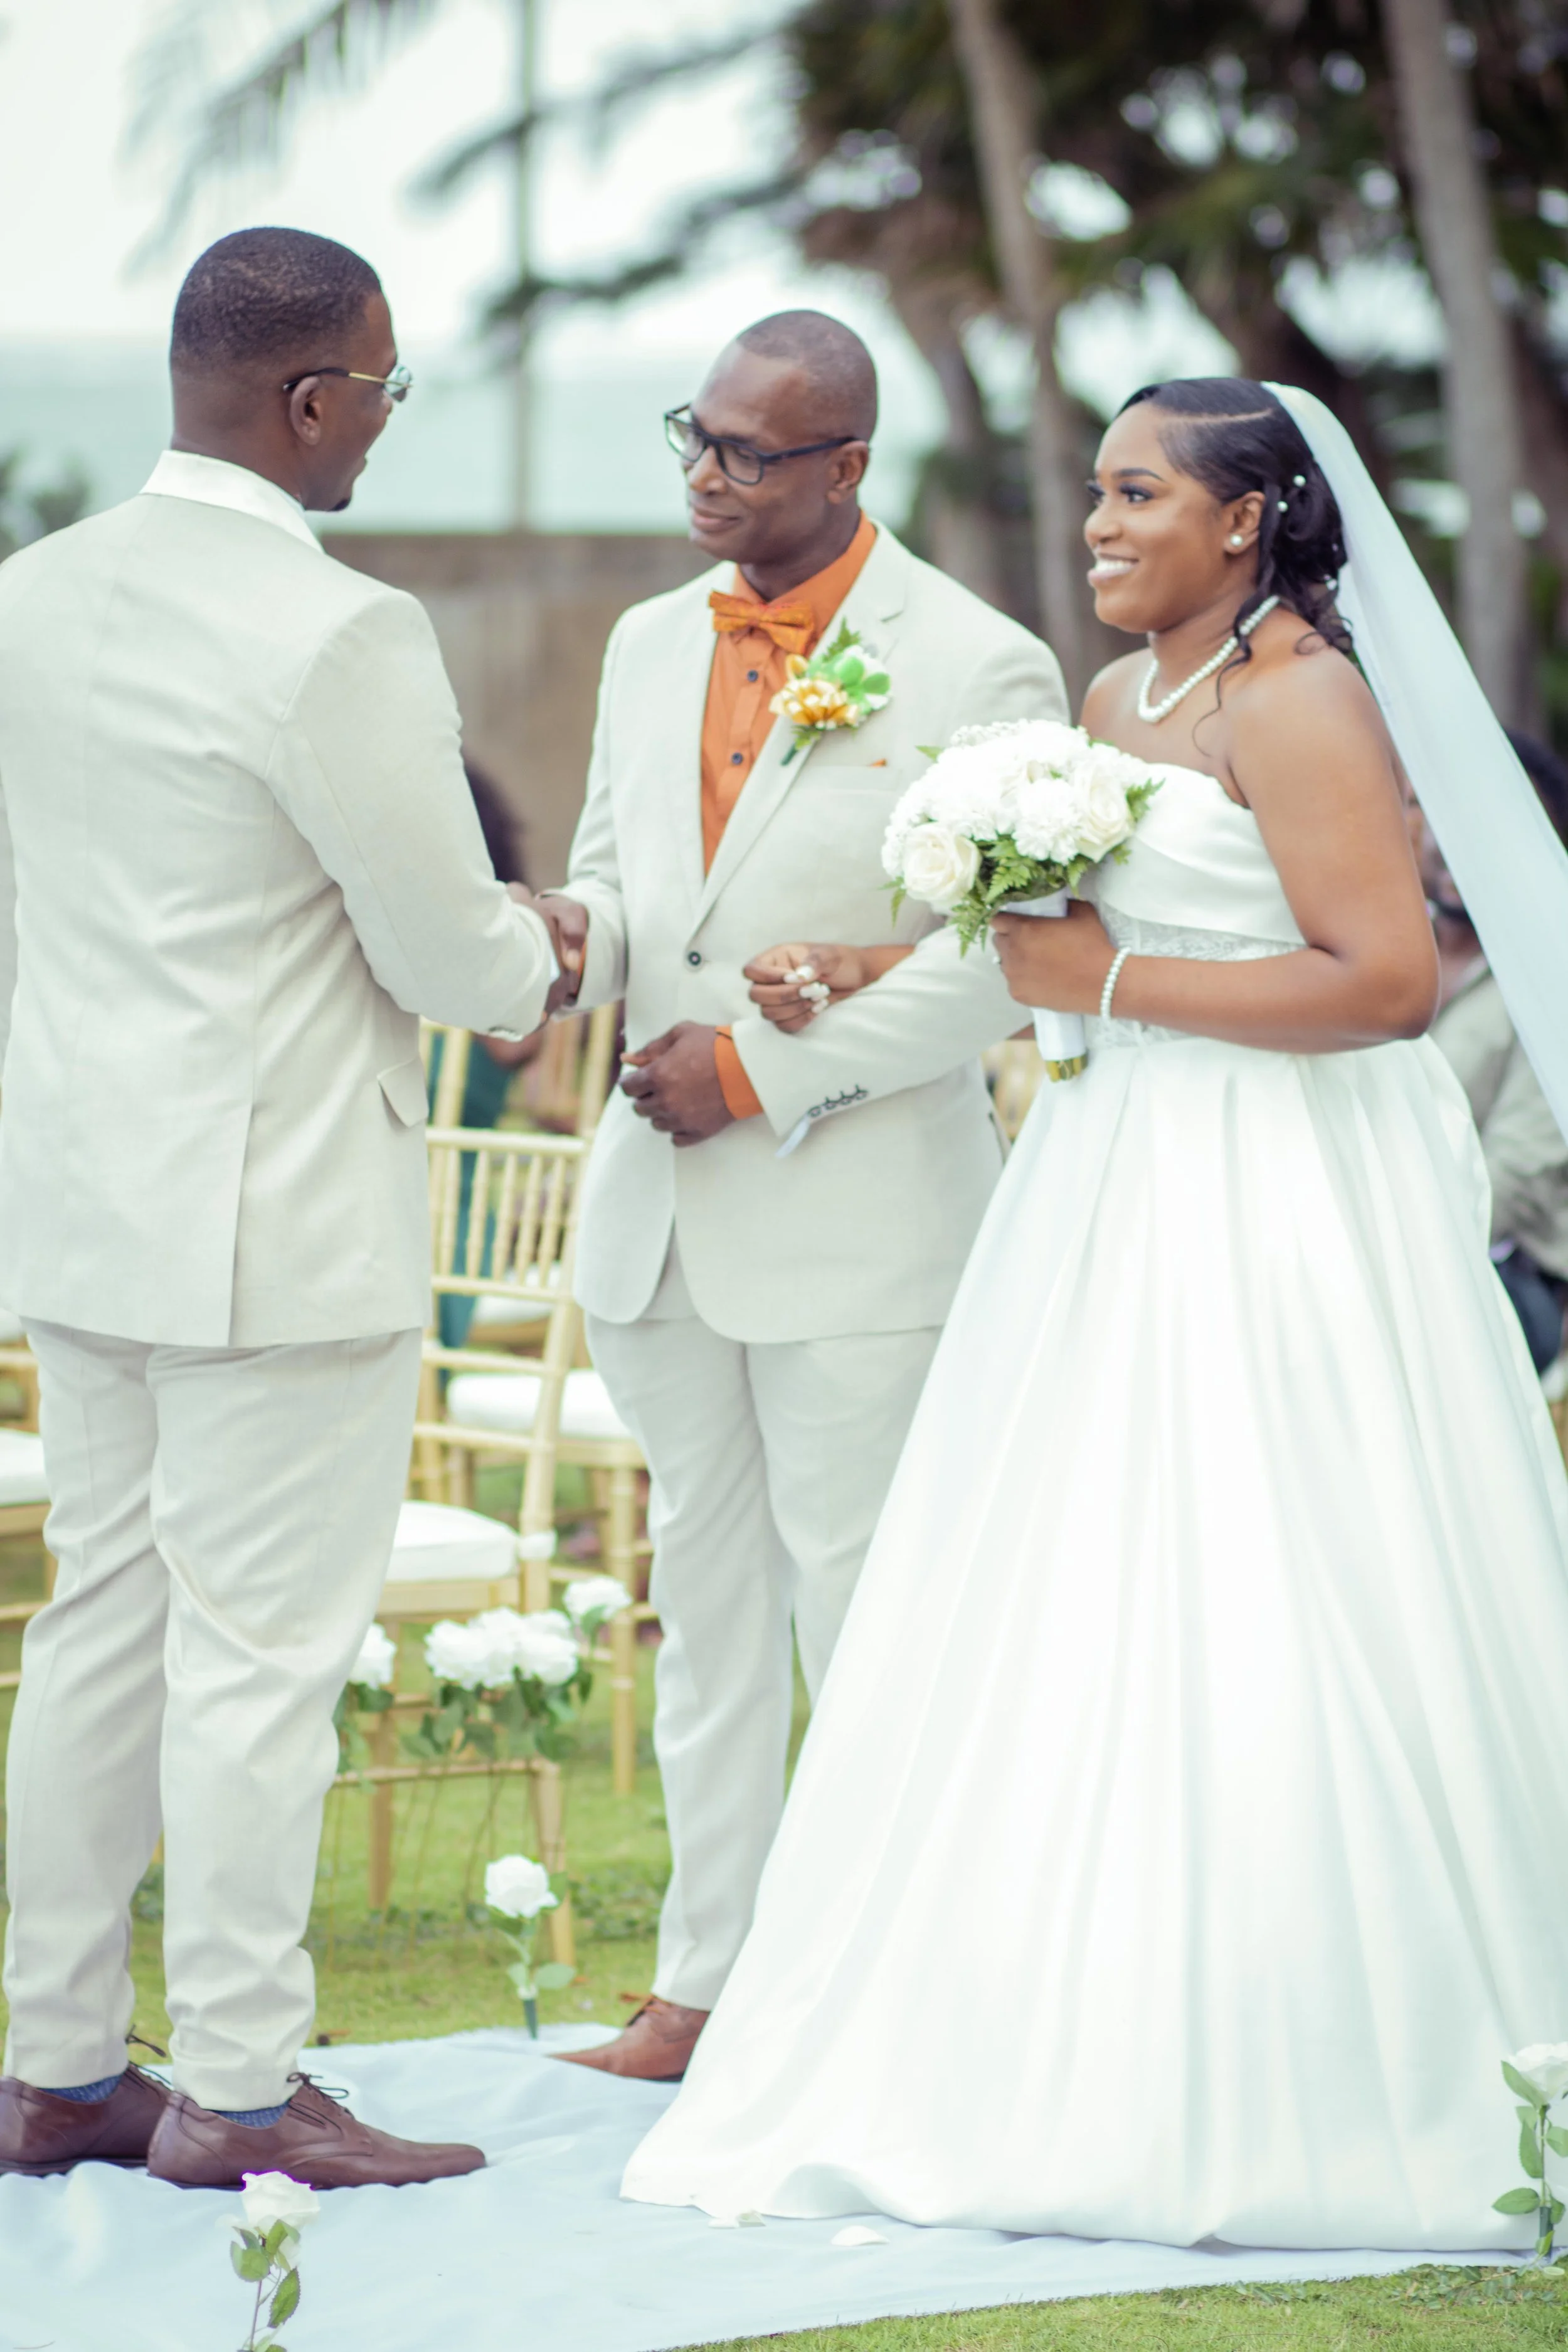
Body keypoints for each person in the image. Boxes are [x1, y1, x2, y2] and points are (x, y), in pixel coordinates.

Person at [622, 378, 1568, 2249]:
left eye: (1138, 492)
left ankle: (1321, 2030)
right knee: (1079, 1568)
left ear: (1245, 518)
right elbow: (1062, 931)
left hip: (1279, 1190)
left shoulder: (1298, 692)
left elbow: (1378, 978)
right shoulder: (1112, 699)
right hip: (1111, 1170)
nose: (1099, 520)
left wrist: (1108, 976)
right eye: (1096, 491)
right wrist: (892, 955)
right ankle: (1056, 1995)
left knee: (1277, 1556)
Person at [0, 228, 561, 2188]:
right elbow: (445, 954)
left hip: (79, 1207)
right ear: (311, 399)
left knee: (99, 1631)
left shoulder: (28, 597)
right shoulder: (339, 627)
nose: (385, 423)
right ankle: (238, 2085)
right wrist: (545, 945)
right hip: (273, 1225)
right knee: (253, 1666)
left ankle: (58, 2063)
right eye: (384, 388)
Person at [536, 311, 1067, 2081]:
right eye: (694, 434)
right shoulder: (637, 643)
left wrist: (758, 1071)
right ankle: (704, 1983)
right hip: (658, 1211)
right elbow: (630, 889)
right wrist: (556, 937)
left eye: (748, 451)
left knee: (869, 1619)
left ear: (843, 464)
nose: (706, 470)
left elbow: (1004, 967)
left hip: (858, 1223)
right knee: (703, 1617)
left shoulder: (980, 665)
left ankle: (905, 1996)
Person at [1416, 733, 1568, 1371]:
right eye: (1439, 812)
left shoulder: (1548, 973)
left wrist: (1393, 1240)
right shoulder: (1379, 951)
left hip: (1503, 1270)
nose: (1456, 841)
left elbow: (1516, 1172)